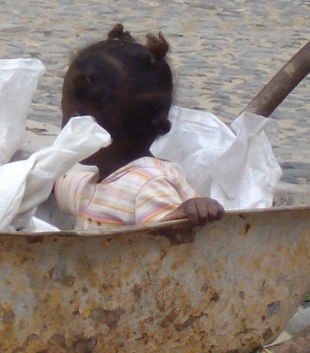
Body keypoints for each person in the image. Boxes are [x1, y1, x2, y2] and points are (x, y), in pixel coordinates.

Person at [53, 26, 226, 231]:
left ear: (79, 123)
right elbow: (59, 185)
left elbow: (166, 238)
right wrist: (31, 179)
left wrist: (187, 211)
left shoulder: (147, 186)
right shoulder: (100, 184)